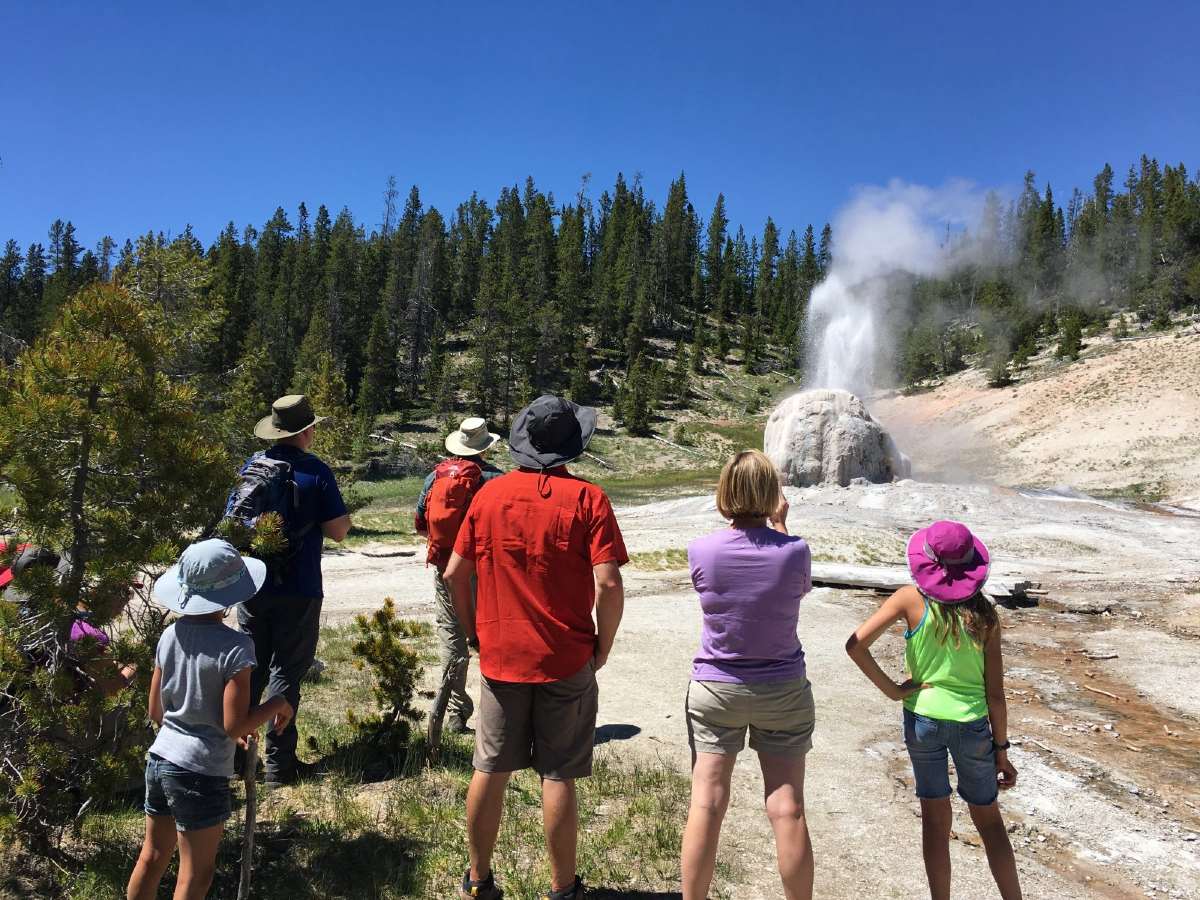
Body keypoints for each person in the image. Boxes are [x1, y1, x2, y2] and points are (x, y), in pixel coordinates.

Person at [444, 395, 627, 900]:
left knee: (490, 767)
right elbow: (609, 584)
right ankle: (562, 888)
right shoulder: (588, 500)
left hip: (501, 655)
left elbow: (456, 573)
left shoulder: (488, 496)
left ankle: (478, 880)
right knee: (558, 774)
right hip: (566, 657)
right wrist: (601, 646)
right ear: (572, 448)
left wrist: (476, 632)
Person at [845, 520, 1022, 900]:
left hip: (922, 719)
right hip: (973, 724)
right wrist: (1002, 750)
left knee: (935, 819)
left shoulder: (909, 599)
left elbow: (855, 645)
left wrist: (894, 691)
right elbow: (995, 695)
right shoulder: (987, 613)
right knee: (989, 821)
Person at [679, 450, 817, 900]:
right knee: (787, 807)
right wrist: (780, 527)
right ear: (773, 495)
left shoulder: (701, 549)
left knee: (707, 801)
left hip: (717, 686)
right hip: (782, 688)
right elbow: (796, 585)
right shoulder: (795, 550)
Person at [126, 539, 293, 900]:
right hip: (198, 771)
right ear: (231, 594)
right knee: (196, 874)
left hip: (160, 759)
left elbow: (156, 711)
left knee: (153, 856)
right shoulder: (236, 647)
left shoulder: (170, 635)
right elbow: (233, 725)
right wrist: (278, 702)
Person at [236, 394, 351, 787]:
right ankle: (278, 764)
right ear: (307, 430)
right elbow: (338, 530)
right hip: (299, 586)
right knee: (287, 669)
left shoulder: (253, 466)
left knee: (251, 666)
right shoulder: (315, 471)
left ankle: (238, 753)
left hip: (252, 583)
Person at [414, 417, 504, 735]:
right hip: (485, 570)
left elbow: (421, 524)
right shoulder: (495, 479)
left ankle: (454, 714)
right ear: (485, 446)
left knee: (453, 637)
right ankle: (500, 713)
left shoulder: (434, 478)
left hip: (445, 567)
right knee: (493, 638)